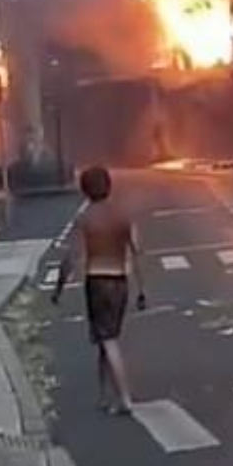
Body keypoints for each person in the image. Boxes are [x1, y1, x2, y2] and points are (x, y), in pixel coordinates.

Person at [52, 165, 146, 416]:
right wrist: (142, 290)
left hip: (98, 281)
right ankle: (105, 395)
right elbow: (136, 251)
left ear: (85, 189)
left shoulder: (86, 218)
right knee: (105, 337)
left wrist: (58, 288)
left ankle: (125, 397)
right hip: (120, 281)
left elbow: (71, 257)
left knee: (107, 339)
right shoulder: (123, 214)